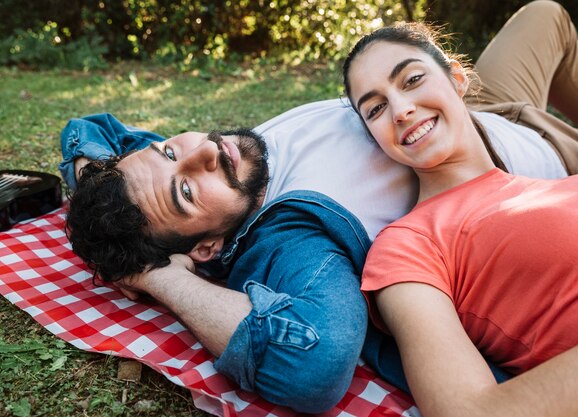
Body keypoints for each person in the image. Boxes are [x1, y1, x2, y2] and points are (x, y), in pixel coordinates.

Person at [59, 5, 576, 412]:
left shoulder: (224, 158)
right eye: (187, 192)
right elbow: (313, 365)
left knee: (546, 14)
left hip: (464, 106)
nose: (204, 151)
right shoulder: (293, 238)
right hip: (542, 151)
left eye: (170, 150)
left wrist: (93, 192)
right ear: (207, 246)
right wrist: (158, 276)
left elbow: (90, 128)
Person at [343, 1, 578, 416]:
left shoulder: (543, 184)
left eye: (412, 80)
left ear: (457, 78)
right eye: (375, 109)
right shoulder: (408, 245)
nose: (401, 111)